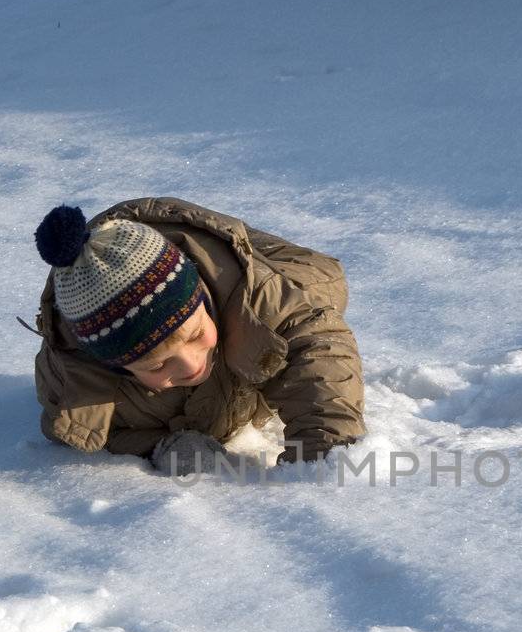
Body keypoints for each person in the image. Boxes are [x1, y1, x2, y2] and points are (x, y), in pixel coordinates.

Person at [28, 197, 365, 474]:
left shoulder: (258, 303)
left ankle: (239, 253)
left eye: (194, 336)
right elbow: (91, 431)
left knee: (319, 287)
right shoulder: (75, 386)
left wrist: (323, 455)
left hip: (246, 277)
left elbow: (319, 352)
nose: (189, 365)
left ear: (204, 301)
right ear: (116, 367)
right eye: (157, 365)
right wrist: (163, 445)